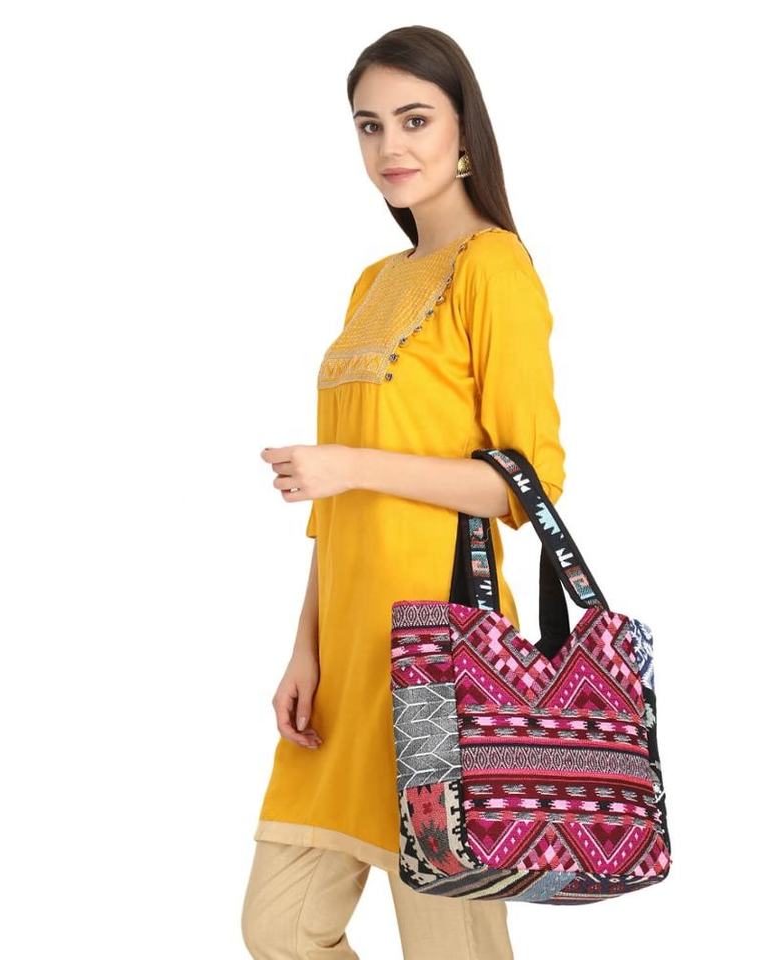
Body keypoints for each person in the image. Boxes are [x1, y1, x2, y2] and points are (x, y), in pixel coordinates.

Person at [241, 25, 567, 960]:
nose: (390, 146)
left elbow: (527, 483)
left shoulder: (494, 269)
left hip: (440, 657)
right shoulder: (374, 282)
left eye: (414, 119)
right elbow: (335, 515)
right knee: (278, 929)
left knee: (450, 942)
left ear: (464, 130)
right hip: (346, 663)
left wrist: (350, 466)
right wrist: (305, 647)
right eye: (369, 125)